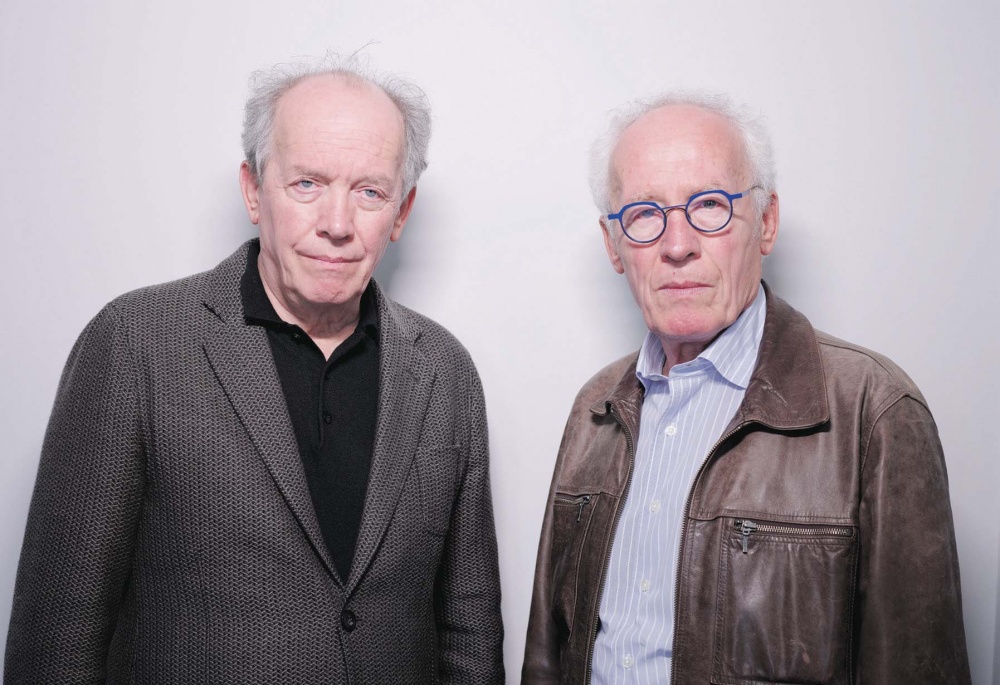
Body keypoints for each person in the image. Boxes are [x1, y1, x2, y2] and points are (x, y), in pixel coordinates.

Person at [5, 56, 504, 684]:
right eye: (307, 184)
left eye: (370, 192)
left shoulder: (446, 372)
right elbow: (57, 636)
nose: (337, 225)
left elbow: (469, 633)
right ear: (252, 190)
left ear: (401, 212)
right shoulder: (135, 343)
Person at [522, 92, 969, 684]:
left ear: (766, 223)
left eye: (709, 204)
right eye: (645, 214)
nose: (677, 245)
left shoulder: (874, 411)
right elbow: (548, 655)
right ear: (614, 245)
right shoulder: (594, 408)